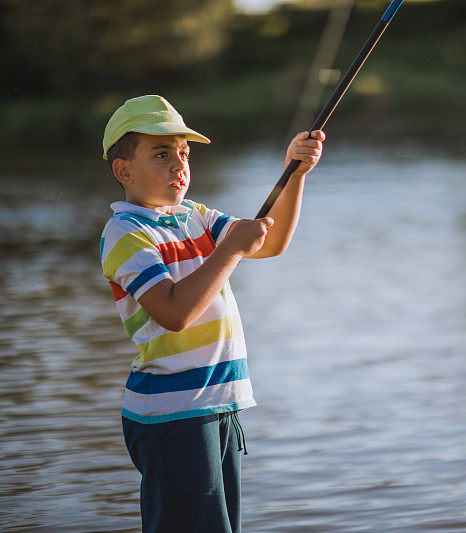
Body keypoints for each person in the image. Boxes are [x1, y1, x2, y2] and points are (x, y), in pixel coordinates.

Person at [99, 94, 324, 532]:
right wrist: (231, 249)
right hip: (173, 415)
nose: (178, 165)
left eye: (183, 153)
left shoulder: (194, 215)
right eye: (161, 154)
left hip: (218, 404)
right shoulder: (125, 232)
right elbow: (174, 312)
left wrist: (296, 173)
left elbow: (270, 243)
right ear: (123, 170)